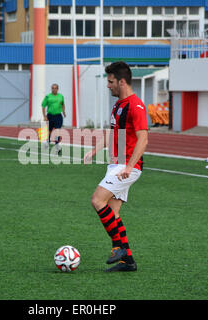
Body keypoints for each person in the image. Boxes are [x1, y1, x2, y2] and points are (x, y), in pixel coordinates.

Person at [83, 61, 148, 272]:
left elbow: (143, 139)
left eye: (110, 81)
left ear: (121, 81)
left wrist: (128, 167)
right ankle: (127, 261)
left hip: (126, 167)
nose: (108, 85)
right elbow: (112, 134)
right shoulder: (118, 105)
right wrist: (94, 151)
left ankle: (118, 247)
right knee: (113, 212)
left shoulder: (135, 105)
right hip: (116, 166)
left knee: (96, 200)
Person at [41, 83, 66, 153]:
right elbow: (43, 106)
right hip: (50, 116)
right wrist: (44, 116)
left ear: (57, 89)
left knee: (57, 131)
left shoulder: (61, 96)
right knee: (49, 131)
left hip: (58, 116)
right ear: (51, 89)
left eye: (55, 88)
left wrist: (63, 112)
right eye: (52, 88)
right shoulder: (48, 96)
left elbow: (63, 104)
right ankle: (47, 141)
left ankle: (57, 146)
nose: (54, 89)